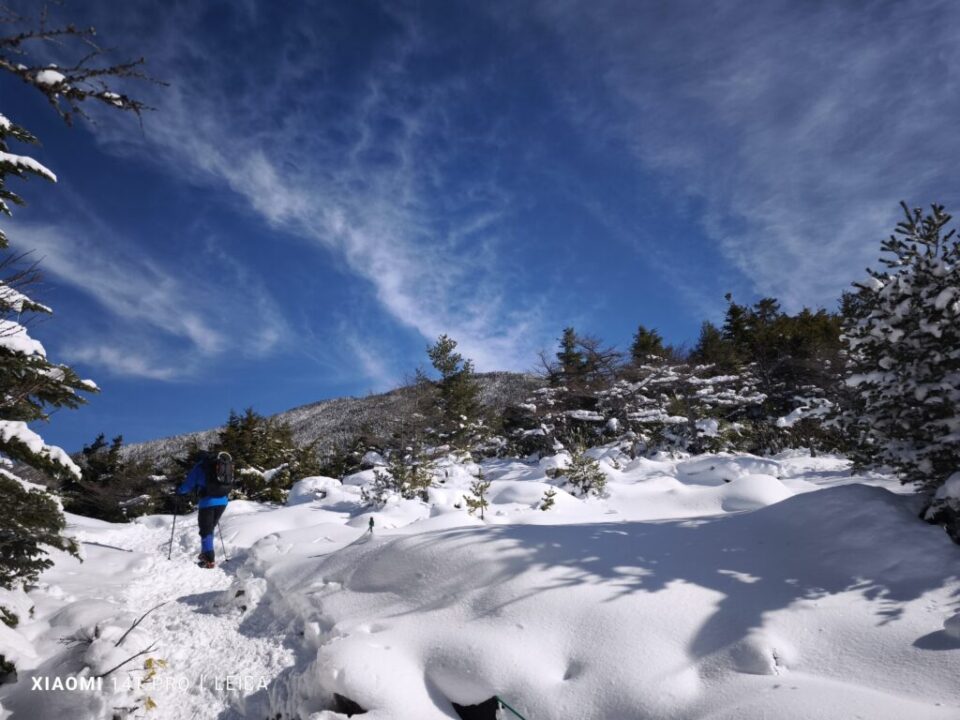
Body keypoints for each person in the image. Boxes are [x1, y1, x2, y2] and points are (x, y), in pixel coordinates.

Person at [177, 451, 233, 568]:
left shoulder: (200, 466)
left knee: (205, 530)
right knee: (209, 528)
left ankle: (209, 558)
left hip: (208, 502)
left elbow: (188, 485)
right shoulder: (220, 463)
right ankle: (206, 553)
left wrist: (179, 491)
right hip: (223, 501)